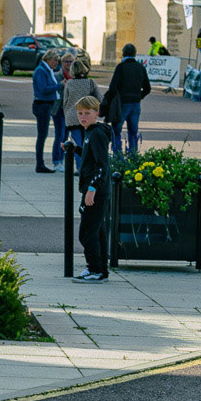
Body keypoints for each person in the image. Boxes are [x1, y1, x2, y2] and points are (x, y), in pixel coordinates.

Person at [74, 96, 111, 282]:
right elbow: (91, 156)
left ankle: (94, 268)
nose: (83, 117)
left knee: (87, 232)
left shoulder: (96, 134)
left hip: (96, 191)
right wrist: (76, 149)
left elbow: (102, 165)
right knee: (97, 231)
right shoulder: (90, 132)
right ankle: (101, 269)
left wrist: (92, 188)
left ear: (96, 113)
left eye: (87, 113)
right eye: (80, 113)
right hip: (95, 189)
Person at [102, 42, 151, 154]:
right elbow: (147, 88)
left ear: (123, 54)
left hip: (122, 103)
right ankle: (133, 155)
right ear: (135, 54)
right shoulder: (140, 67)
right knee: (133, 131)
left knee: (116, 130)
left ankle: (118, 155)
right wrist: (139, 96)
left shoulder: (121, 67)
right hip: (136, 103)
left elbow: (113, 87)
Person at [63, 60, 99, 170]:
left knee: (77, 142)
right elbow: (99, 98)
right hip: (87, 114)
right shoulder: (90, 83)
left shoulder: (69, 83)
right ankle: (88, 166)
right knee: (87, 141)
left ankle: (79, 167)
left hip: (73, 115)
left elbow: (65, 101)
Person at [32, 49, 61, 173]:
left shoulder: (46, 70)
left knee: (43, 134)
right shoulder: (41, 71)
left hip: (46, 104)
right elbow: (43, 89)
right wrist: (60, 86)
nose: (56, 63)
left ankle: (40, 163)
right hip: (42, 104)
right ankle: (40, 163)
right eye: (55, 60)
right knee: (42, 135)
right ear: (48, 59)